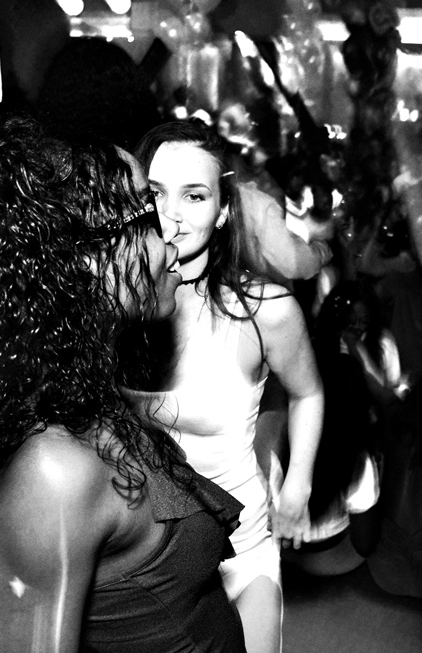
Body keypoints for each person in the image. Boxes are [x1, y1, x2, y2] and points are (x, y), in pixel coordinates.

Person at [0, 116, 246, 653]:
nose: (172, 234)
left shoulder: (90, 396)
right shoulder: (54, 471)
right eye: (149, 213)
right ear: (87, 256)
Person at [122, 120, 324, 653]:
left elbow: (307, 392)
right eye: (156, 193)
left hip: (240, 548)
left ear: (223, 210)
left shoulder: (263, 311)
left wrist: (297, 486)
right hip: (141, 561)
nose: (171, 214)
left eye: (194, 196)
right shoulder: (114, 311)